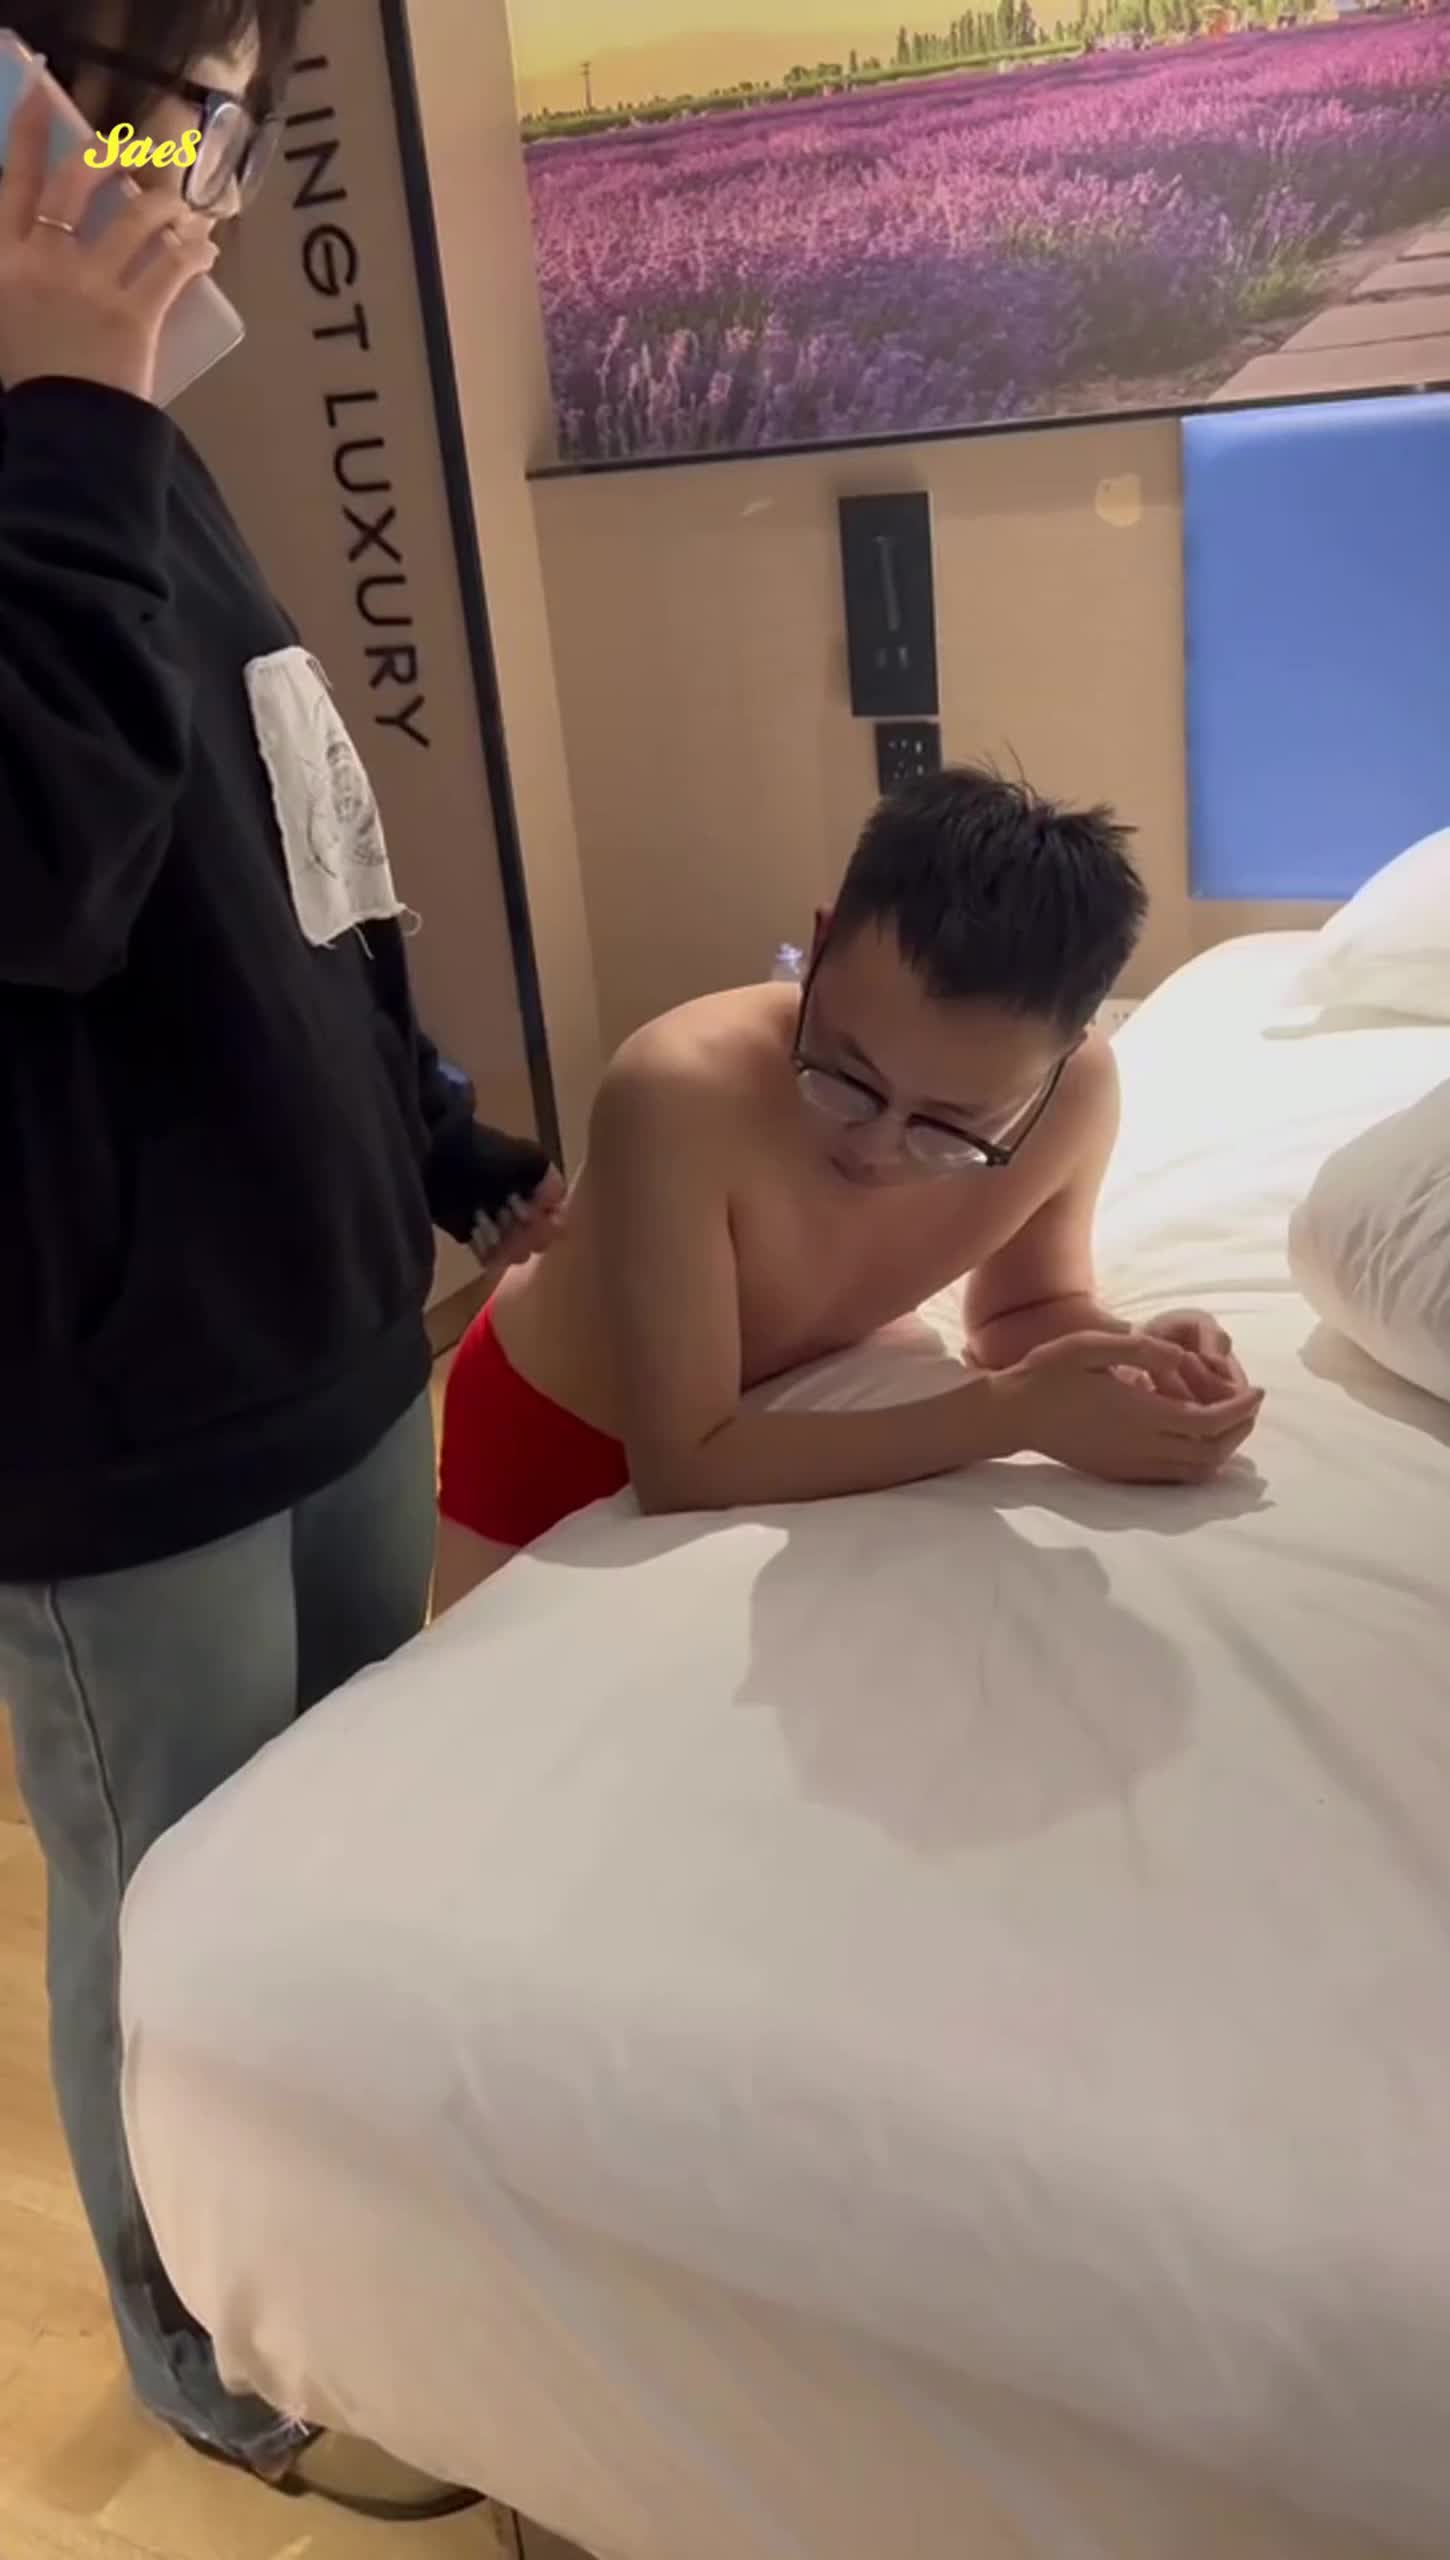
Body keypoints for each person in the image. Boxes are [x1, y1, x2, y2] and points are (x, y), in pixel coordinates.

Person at [0, 0, 560, 2522]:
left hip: (330, 1308)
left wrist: (431, 1135)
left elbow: (286, 823)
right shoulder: (78, 426)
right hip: (118, 1407)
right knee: (178, 1902)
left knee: (347, 1850)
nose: (184, 173)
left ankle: (349, 2263)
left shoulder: (123, 431)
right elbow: (45, 863)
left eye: (214, 114)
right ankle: (207, 2338)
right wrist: (73, 405)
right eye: (133, 106)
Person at [435, 768, 1264, 1607]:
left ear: (1062, 1054)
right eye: (845, 1076)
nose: (876, 1149)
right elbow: (683, 1464)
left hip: (779, 1405)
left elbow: (1023, 1311)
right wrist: (1012, 1414)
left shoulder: (1077, 1097)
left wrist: (1138, 1359)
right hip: (554, 1427)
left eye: (951, 1124)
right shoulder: (679, 1089)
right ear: (822, 944)